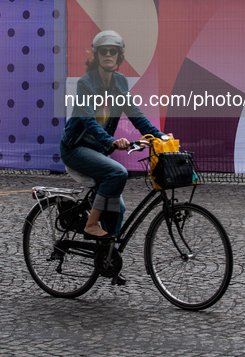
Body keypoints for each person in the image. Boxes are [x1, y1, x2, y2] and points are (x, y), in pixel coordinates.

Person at [60, 29, 171, 241]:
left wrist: (160, 137)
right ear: (96, 56)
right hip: (75, 148)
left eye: (113, 51)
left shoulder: (120, 83)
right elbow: (88, 120)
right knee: (118, 173)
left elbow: (135, 114)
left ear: (120, 56)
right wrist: (110, 141)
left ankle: (109, 257)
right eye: (103, 51)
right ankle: (91, 224)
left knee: (117, 209)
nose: (108, 55)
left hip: (97, 151)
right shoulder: (86, 83)